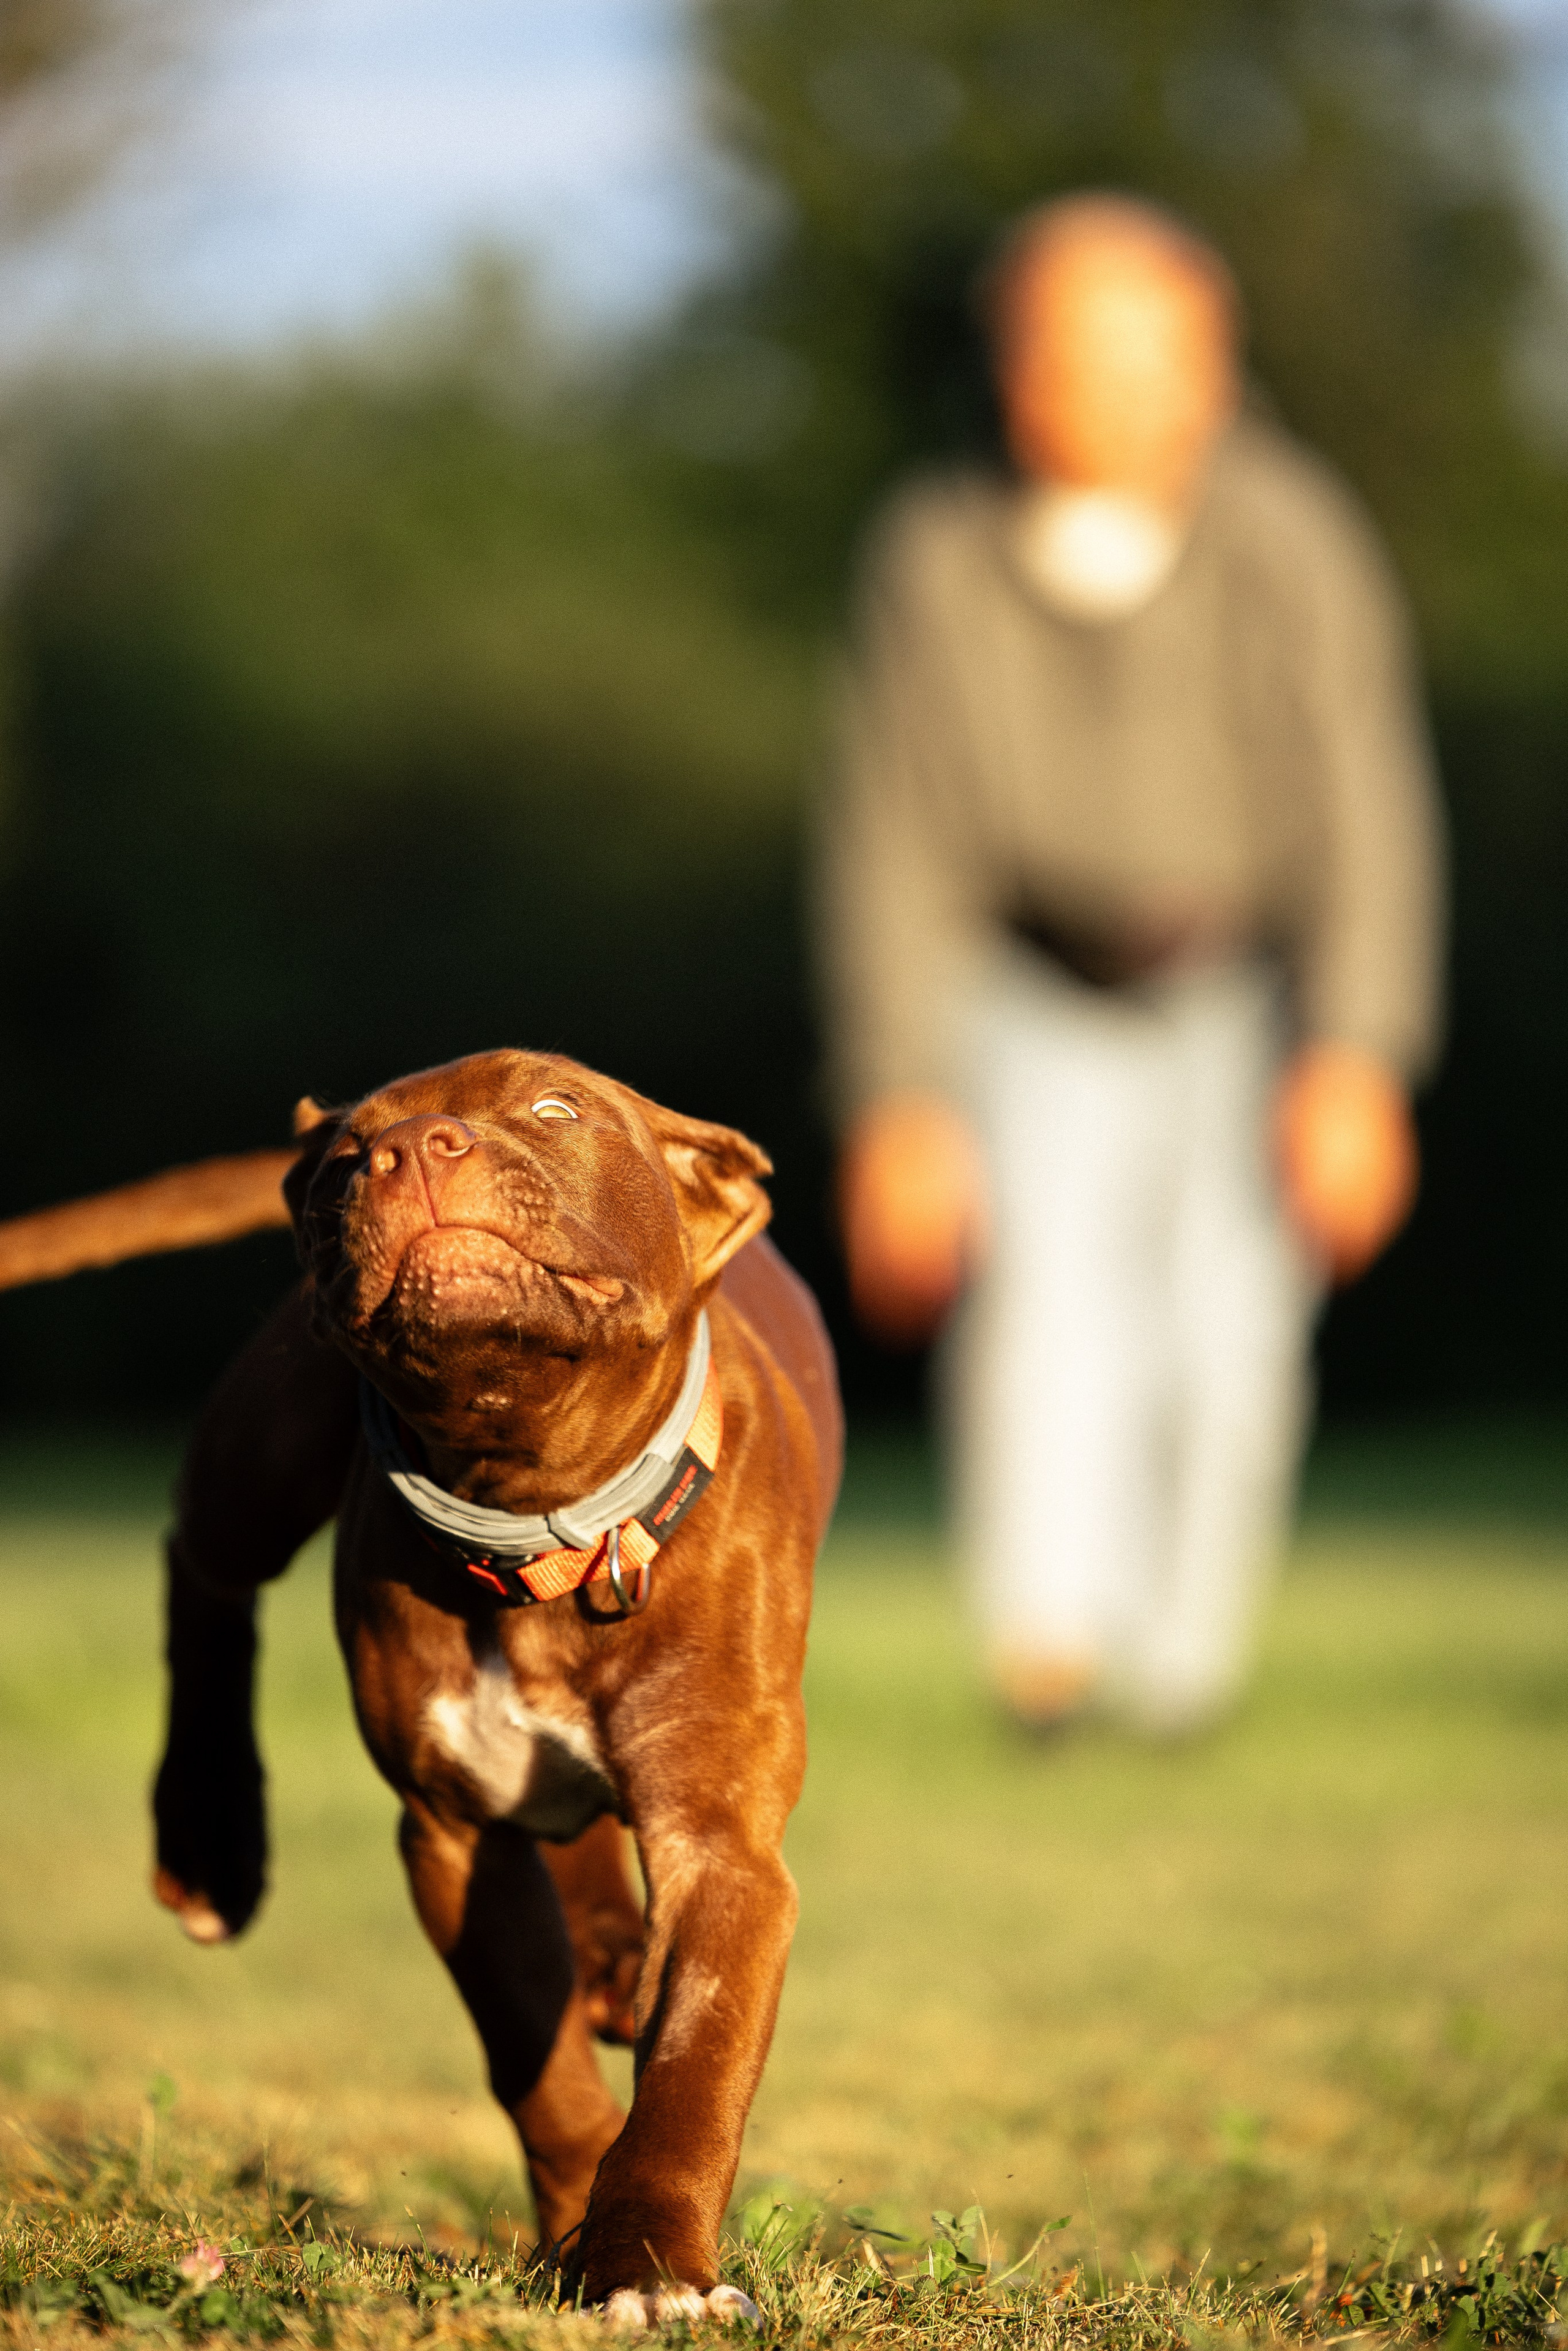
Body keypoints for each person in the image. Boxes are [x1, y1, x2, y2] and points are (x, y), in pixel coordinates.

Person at [817, 194, 1445, 1735]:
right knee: (1032, 1318)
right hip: (1025, 987)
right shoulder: (935, 550)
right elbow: (889, 837)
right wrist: (896, 1094)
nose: (1096, 392)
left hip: (1245, 991)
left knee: (1227, 1331)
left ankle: (1178, 1678)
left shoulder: (1290, 535)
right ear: (1010, 367)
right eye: (1060, 353)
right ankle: (1047, 1659)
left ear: (1208, 370)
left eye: (1139, 356)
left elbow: (1366, 803)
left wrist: (1358, 1053)